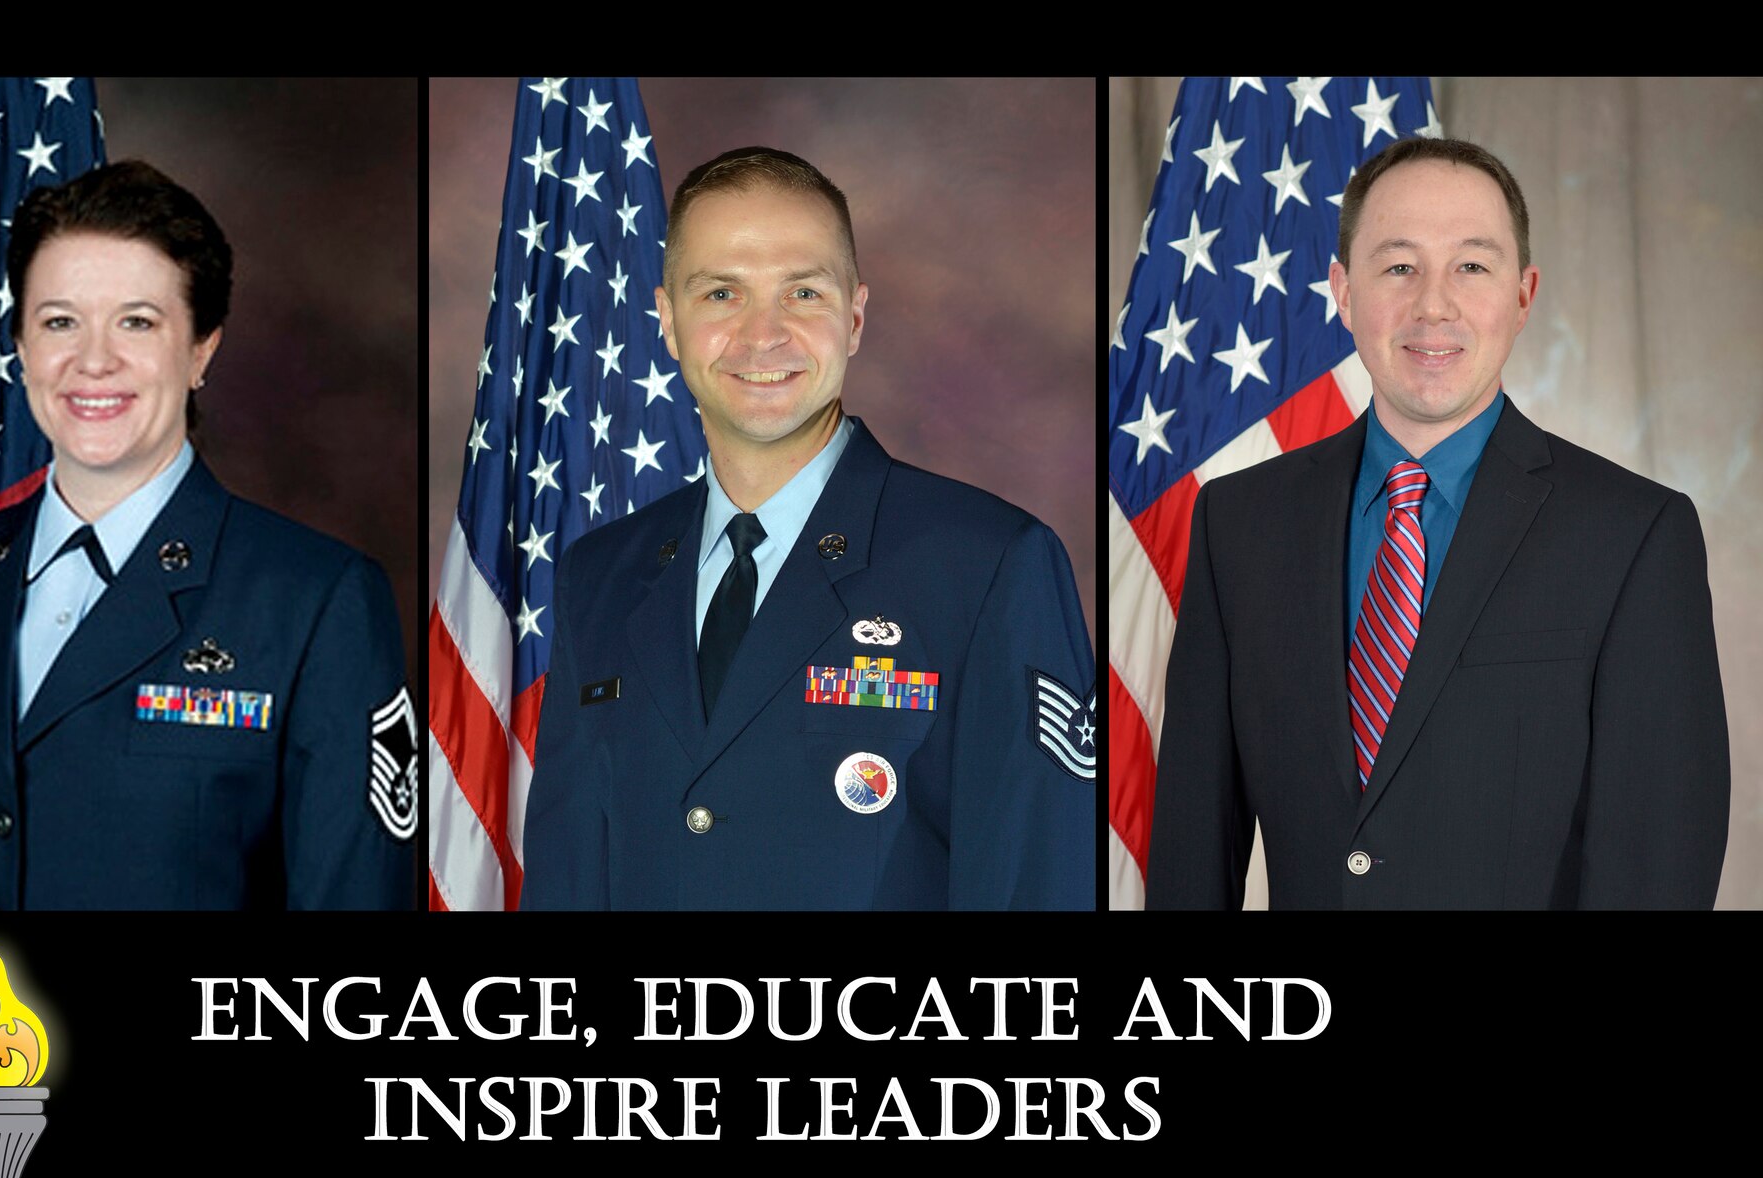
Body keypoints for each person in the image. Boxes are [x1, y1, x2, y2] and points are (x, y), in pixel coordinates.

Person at [1146, 136, 1730, 910]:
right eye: (1398, 266)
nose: (1433, 305)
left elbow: (1657, 866)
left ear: (1522, 296)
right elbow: (1192, 847)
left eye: (1472, 266)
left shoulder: (1636, 535)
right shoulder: (1237, 522)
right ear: (1343, 292)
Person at [520, 147, 1096, 910]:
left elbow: (1037, 886)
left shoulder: (990, 566)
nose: (764, 335)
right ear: (666, 320)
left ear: (854, 317)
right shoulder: (601, 574)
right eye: (722, 293)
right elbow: (568, 883)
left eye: (802, 293)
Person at [0, 161, 417, 910]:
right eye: (60, 321)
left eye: (137, 321)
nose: (94, 361)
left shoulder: (314, 601)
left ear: (202, 348)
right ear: (20, 344)